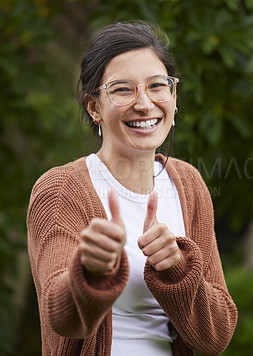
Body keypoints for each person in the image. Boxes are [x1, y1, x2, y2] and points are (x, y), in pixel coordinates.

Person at [27, 21, 237, 356]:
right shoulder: (62, 190)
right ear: (94, 107)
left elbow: (217, 336)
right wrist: (89, 270)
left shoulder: (189, 184)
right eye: (123, 90)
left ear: (174, 96)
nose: (144, 104)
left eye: (157, 86)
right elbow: (60, 318)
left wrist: (178, 270)